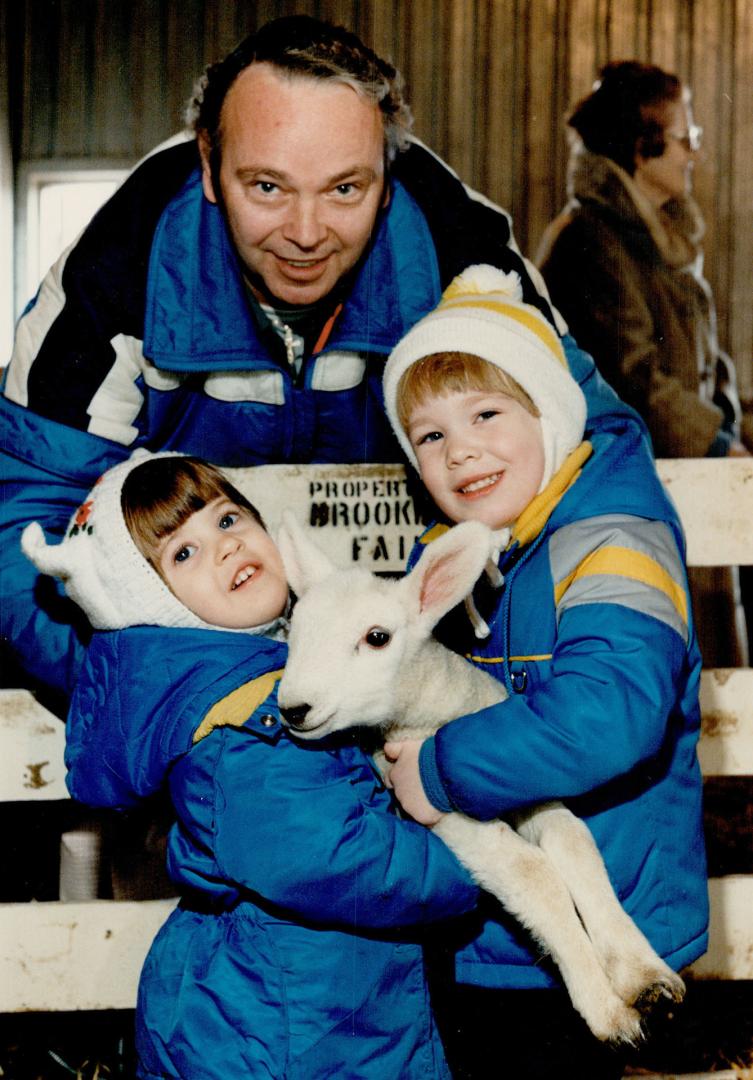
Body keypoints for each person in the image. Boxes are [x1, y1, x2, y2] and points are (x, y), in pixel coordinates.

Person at [2, 15, 655, 713]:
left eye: (345, 189)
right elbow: (21, 524)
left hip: (401, 656)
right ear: (209, 165)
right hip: (190, 660)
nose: (306, 234)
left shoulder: (457, 249)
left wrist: (597, 672)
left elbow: (587, 448)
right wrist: (177, 694)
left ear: (385, 172)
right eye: (267, 188)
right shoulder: (118, 269)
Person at [21, 450, 480, 1079]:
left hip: (298, 1007)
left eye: (228, 519)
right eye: (183, 553)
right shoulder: (239, 729)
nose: (224, 548)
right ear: (154, 605)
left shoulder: (277, 673)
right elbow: (339, 861)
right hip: (287, 1026)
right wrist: (474, 864)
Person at [379, 265, 709, 1079]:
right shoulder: (477, 557)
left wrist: (441, 768)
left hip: (607, 930)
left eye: (486, 413)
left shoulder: (612, 545)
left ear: (550, 415)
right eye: (427, 435)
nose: (459, 450)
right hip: (502, 929)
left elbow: (606, 716)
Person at [536, 60, 752, 665]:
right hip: (634, 504)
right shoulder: (591, 241)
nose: (693, 154)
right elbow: (632, 378)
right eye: (687, 138)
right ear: (643, 146)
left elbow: (705, 361)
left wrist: (731, 433)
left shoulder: (659, 238)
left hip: (687, 487)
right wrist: (718, 446)